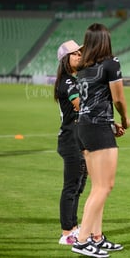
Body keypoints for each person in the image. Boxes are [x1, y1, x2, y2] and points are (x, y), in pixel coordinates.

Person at [72, 23, 130, 258]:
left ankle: (96, 237)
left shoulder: (84, 68)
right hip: (98, 129)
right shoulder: (111, 63)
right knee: (105, 187)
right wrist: (125, 119)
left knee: (98, 187)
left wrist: (110, 123)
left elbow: (91, 102)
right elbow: (118, 98)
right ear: (106, 40)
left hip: (86, 127)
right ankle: (82, 240)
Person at [54, 40, 87, 245]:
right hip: (70, 139)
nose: (80, 56)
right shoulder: (66, 81)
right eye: (75, 54)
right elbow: (80, 104)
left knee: (78, 186)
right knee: (71, 187)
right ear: (66, 59)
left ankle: (74, 227)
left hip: (79, 138)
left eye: (80, 53)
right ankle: (67, 233)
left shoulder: (75, 80)